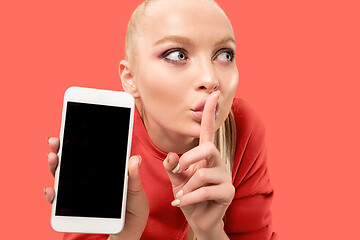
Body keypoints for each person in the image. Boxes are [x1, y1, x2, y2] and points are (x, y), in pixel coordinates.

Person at [45, 0, 278, 239]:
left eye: (224, 55)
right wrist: (123, 235)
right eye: (177, 55)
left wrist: (210, 231)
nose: (210, 79)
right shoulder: (101, 133)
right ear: (130, 78)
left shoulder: (242, 127)